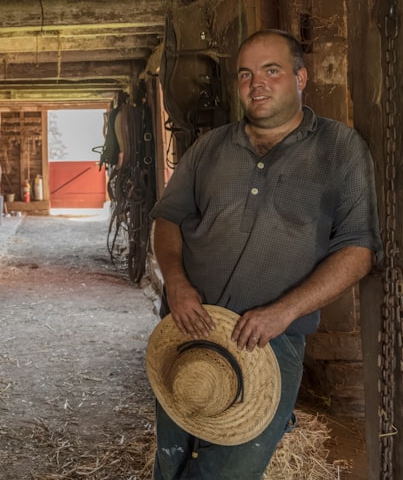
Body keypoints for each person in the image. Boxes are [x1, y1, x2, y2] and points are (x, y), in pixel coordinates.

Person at [148, 29, 381, 479]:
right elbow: (169, 219)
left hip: (270, 341)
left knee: (230, 471)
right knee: (171, 459)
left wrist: (283, 312)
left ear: (300, 77)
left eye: (271, 71)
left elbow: (358, 251)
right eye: (246, 74)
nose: (257, 84)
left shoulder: (340, 150)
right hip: (187, 328)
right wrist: (175, 283)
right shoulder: (208, 148)